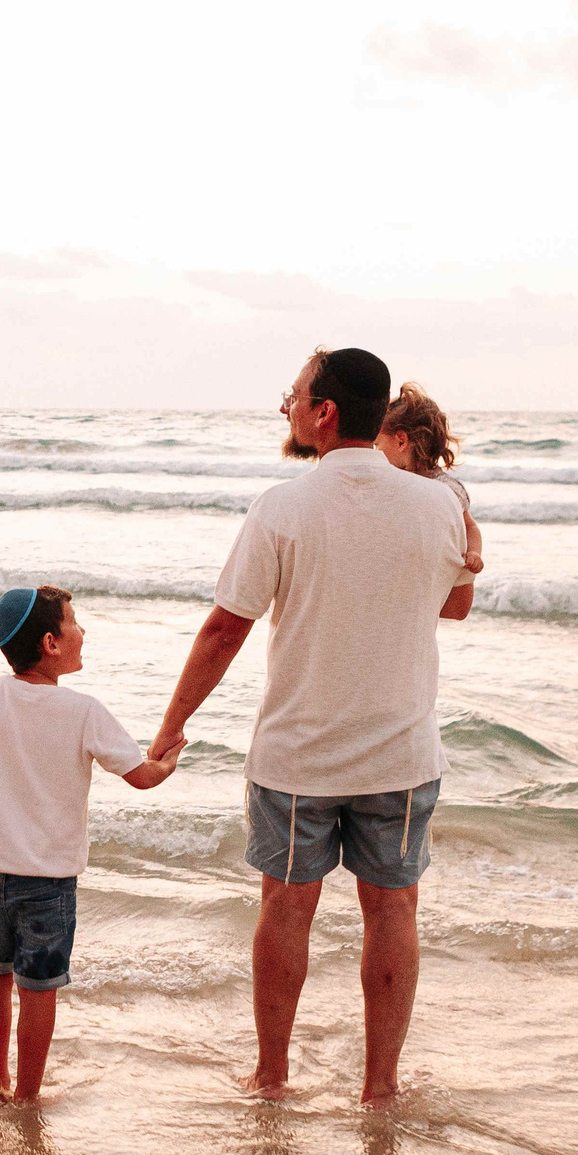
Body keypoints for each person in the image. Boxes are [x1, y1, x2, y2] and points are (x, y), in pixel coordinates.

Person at [147, 348, 473, 1103]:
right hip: (400, 750)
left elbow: (226, 630)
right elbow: (453, 606)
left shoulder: (283, 507)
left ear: (324, 412)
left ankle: (270, 1075)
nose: (287, 407)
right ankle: (380, 1087)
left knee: (286, 905)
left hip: (298, 756)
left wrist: (171, 727)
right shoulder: (437, 506)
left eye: (292, 397)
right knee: (392, 907)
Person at [0, 586, 180, 1104]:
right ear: (50, 642)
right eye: (74, 622)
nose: (82, 631)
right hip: (48, 882)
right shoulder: (84, 710)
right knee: (39, 989)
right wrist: (166, 762)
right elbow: (141, 777)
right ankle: (27, 1096)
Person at [380, 382, 483, 575]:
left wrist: (474, 553)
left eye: (378, 444)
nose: (377, 452)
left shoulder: (446, 489)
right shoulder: (391, 483)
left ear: (401, 441)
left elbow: (470, 526)